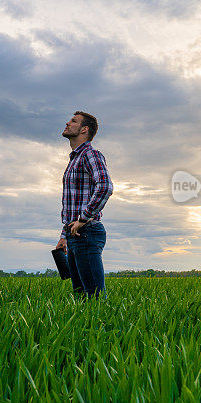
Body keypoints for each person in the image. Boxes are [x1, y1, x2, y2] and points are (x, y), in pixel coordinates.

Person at [55, 111, 113, 298]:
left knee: (94, 298)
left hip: (87, 232)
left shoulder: (91, 155)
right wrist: (64, 236)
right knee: (80, 298)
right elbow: (73, 202)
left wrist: (83, 218)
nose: (67, 123)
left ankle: (101, 327)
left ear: (84, 129)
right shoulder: (75, 159)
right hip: (75, 235)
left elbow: (105, 186)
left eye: (73, 121)